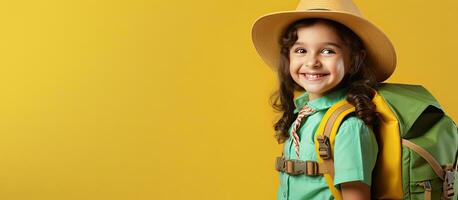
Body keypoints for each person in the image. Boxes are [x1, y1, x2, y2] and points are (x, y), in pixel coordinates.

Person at [251, 0, 397, 199]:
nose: (312, 62)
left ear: (354, 60)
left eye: (328, 51)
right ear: (288, 56)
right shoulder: (303, 115)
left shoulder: (350, 127)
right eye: (301, 50)